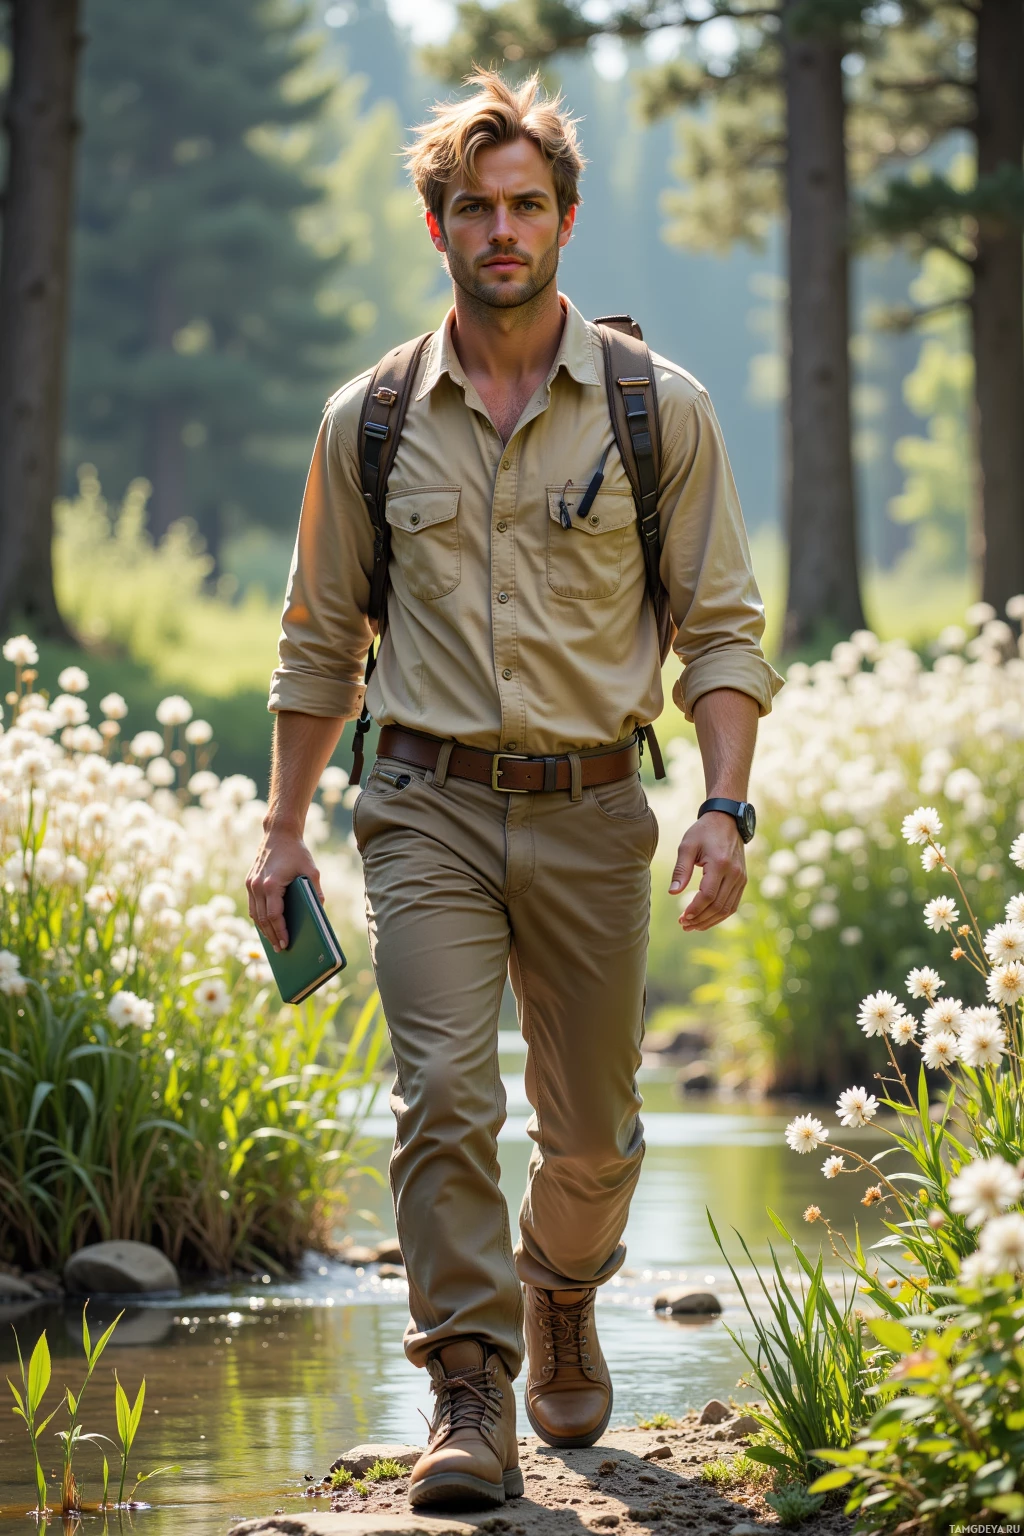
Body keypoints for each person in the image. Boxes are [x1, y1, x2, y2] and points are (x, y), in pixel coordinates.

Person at [246, 69, 782, 1513]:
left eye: (524, 205)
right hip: (421, 806)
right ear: (437, 227)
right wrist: (284, 830)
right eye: (473, 208)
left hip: (599, 809)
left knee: (596, 1131)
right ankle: (468, 1388)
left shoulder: (655, 410)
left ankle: (561, 1287)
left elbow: (722, 626)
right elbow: (318, 641)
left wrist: (725, 805)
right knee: (439, 1091)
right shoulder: (365, 422)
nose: (501, 229)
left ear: (565, 220)